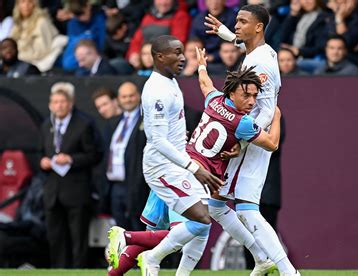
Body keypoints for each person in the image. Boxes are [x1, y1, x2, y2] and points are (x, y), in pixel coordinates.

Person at [106, 48, 282, 276]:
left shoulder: (214, 99)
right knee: (197, 225)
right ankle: (130, 239)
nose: (252, 102)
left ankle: (118, 270)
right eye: (246, 96)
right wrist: (275, 116)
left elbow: (205, 83)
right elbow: (272, 143)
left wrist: (201, 65)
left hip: (177, 167)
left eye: (255, 97)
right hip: (193, 176)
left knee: (190, 230)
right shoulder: (243, 122)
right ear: (232, 93)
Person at [205, 4, 300, 275]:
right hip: (246, 138)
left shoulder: (263, 63)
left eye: (242, 21)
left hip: (252, 142)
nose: (236, 25)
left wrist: (242, 141)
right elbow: (238, 39)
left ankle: (287, 271)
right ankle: (262, 257)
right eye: (236, 20)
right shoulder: (255, 52)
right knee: (217, 204)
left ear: (258, 27)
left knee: (245, 209)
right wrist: (225, 33)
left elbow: (268, 109)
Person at [136, 34, 223, 276]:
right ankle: (151, 258)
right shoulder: (156, 91)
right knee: (201, 219)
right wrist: (196, 168)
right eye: (176, 52)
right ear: (159, 56)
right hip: (161, 167)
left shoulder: (169, 81)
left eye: (182, 51)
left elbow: (168, 132)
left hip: (177, 164)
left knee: (203, 224)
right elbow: (157, 140)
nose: (183, 57)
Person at [39, 82, 102, 268]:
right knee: (56, 236)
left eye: (62, 101)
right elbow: (40, 152)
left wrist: (71, 159)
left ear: (71, 103)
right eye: (55, 102)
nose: (58, 105)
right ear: (50, 104)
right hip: (53, 192)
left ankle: (78, 270)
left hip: (77, 190)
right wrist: (43, 162)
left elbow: (95, 155)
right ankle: (59, 270)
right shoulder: (46, 125)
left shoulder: (84, 124)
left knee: (78, 237)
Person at [104, 81, 149, 231]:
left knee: (138, 228)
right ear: (118, 99)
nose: (128, 99)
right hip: (116, 185)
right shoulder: (113, 123)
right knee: (120, 230)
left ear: (138, 96)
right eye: (124, 96)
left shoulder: (146, 120)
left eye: (131, 95)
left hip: (136, 184)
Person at [10, 0, 67, 72]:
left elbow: (41, 52)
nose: (26, 5)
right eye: (23, 2)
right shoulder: (17, 24)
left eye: (30, 2)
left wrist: (17, 57)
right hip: (18, 64)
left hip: (36, 64)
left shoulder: (42, 22)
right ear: (18, 5)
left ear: (35, 4)